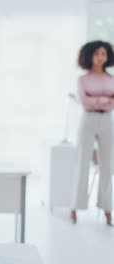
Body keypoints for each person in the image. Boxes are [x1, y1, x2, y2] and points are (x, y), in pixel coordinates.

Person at [71, 40, 114, 226]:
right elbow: (85, 102)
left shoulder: (111, 79)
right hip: (88, 120)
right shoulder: (83, 80)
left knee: (107, 165)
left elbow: (112, 104)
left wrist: (96, 99)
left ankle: (106, 208)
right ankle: (75, 206)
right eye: (97, 54)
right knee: (82, 163)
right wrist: (105, 99)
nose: (100, 57)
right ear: (90, 56)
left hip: (107, 120)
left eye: (103, 54)